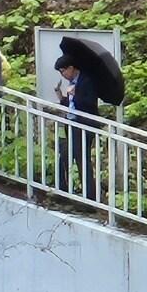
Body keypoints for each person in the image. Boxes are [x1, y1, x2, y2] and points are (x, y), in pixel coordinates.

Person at [55, 54, 101, 200]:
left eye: (63, 71)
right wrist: (62, 98)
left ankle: (90, 197)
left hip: (83, 125)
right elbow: (72, 105)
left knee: (82, 159)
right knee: (65, 155)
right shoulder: (73, 82)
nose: (63, 74)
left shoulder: (87, 80)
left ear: (71, 68)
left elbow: (90, 104)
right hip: (71, 123)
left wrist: (76, 94)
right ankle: (62, 190)